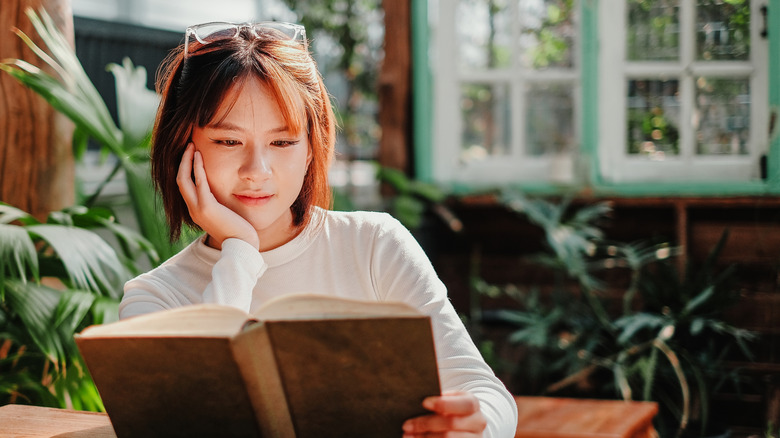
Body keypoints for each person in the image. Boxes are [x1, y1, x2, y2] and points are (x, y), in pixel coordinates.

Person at [119, 21, 518, 437]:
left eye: (283, 142)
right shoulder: (154, 299)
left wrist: (474, 425)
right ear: (183, 146)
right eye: (228, 142)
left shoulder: (374, 246)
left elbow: (482, 390)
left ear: (312, 148)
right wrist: (240, 251)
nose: (257, 172)